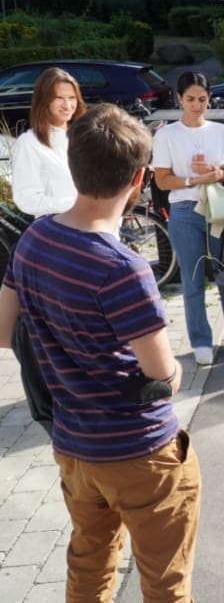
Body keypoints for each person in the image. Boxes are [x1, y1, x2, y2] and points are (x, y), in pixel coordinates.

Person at [0, 103, 201, 601]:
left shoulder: (34, 239)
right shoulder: (122, 268)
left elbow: (4, 333)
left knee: (89, 565)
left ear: (73, 165)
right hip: (138, 452)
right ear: (138, 179)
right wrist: (175, 371)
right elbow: (160, 372)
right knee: (164, 580)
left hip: (74, 449)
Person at [153, 71, 224, 365]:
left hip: (221, 211)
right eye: (190, 99)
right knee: (193, 280)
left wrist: (217, 174)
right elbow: (163, 181)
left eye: (202, 99)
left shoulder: (222, 133)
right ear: (179, 98)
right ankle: (201, 341)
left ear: (209, 99)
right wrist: (194, 179)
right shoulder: (166, 135)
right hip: (185, 212)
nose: (196, 105)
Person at [11, 67, 86, 215]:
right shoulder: (29, 143)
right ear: (44, 101)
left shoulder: (85, 136)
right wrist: (75, 204)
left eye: (72, 98)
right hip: (58, 230)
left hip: (95, 226)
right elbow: (26, 199)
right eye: (59, 98)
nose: (67, 105)